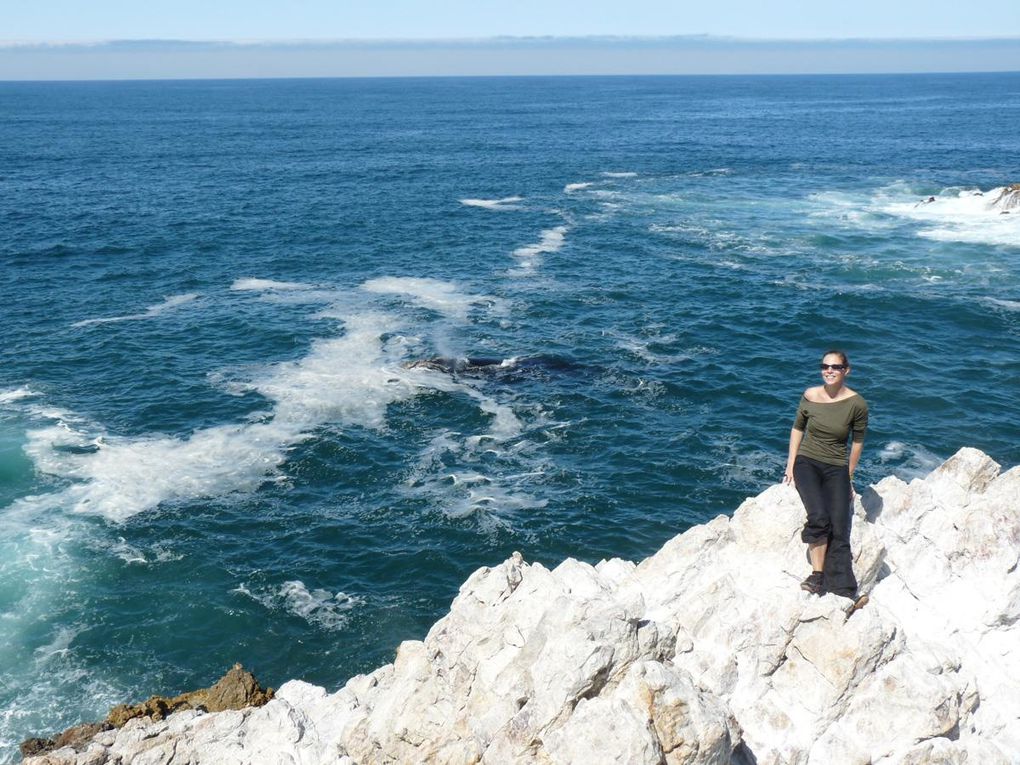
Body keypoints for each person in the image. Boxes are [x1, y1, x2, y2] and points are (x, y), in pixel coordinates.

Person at [783, 350, 868, 600]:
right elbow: (798, 428)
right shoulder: (810, 395)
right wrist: (790, 466)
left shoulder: (857, 404)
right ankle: (817, 576)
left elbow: (858, 442)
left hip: (836, 467)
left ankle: (843, 593)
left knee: (840, 527)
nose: (829, 370)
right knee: (819, 516)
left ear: (846, 370)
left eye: (836, 367)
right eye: (825, 366)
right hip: (807, 463)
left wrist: (848, 476)